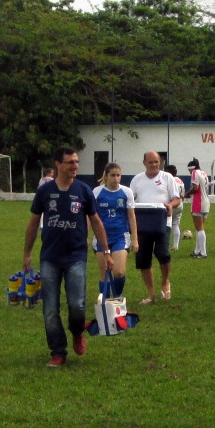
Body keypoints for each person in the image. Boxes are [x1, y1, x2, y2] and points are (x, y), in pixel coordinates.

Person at [23, 147, 110, 367]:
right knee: (50, 309)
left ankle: (77, 332)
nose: (75, 166)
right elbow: (33, 223)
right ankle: (58, 352)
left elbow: (97, 222)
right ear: (58, 165)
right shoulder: (45, 192)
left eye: (77, 162)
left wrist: (106, 251)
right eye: (70, 162)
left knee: (78, 305)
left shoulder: (83, 190)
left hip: (76, 257)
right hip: (50, 257)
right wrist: (27, 253)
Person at [128, 150, 181, 302]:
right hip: (142, 223)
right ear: (144, 163)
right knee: (143, 258)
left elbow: (177, 198)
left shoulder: (167, 177)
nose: (154, 165)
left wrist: (171, 205)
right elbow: (130, 201)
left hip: (162, 221)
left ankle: (165, 281)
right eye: (150, 162)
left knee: (162, 253)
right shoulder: (137, 179)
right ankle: (151, 294)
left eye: (156, 162)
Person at [92, 162, 138, 298]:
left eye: (118, 175)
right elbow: (91, 217)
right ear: (106, 176)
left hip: (120, 235)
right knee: (105, 271)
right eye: (113, 175)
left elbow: (131, 216)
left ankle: (117, 296)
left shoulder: (126, 192)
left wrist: (135, 238)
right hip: (101, 237)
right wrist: (85, 236)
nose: (116, 178)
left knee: (118, 271)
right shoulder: (97, 192)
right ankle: (105, 304)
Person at [187, 157, 211, 257]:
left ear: (191, 168)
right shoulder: (204, 173)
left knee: (199, 228)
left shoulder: (195, 173)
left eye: (189, 170)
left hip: (198, 202)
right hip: (206, 202)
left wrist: (187, 194)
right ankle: (197, 251)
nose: (189, 172)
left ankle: (203, 252)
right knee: (199, 228)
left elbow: (195, 188)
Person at [165, 164, 185, 251]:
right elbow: (182, 194)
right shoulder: (180, 181)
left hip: (172, 204)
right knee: (175, 224)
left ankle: (165, 245)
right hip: (180, 203)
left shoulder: (170, 180)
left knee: (167, 224)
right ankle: (176, 245)